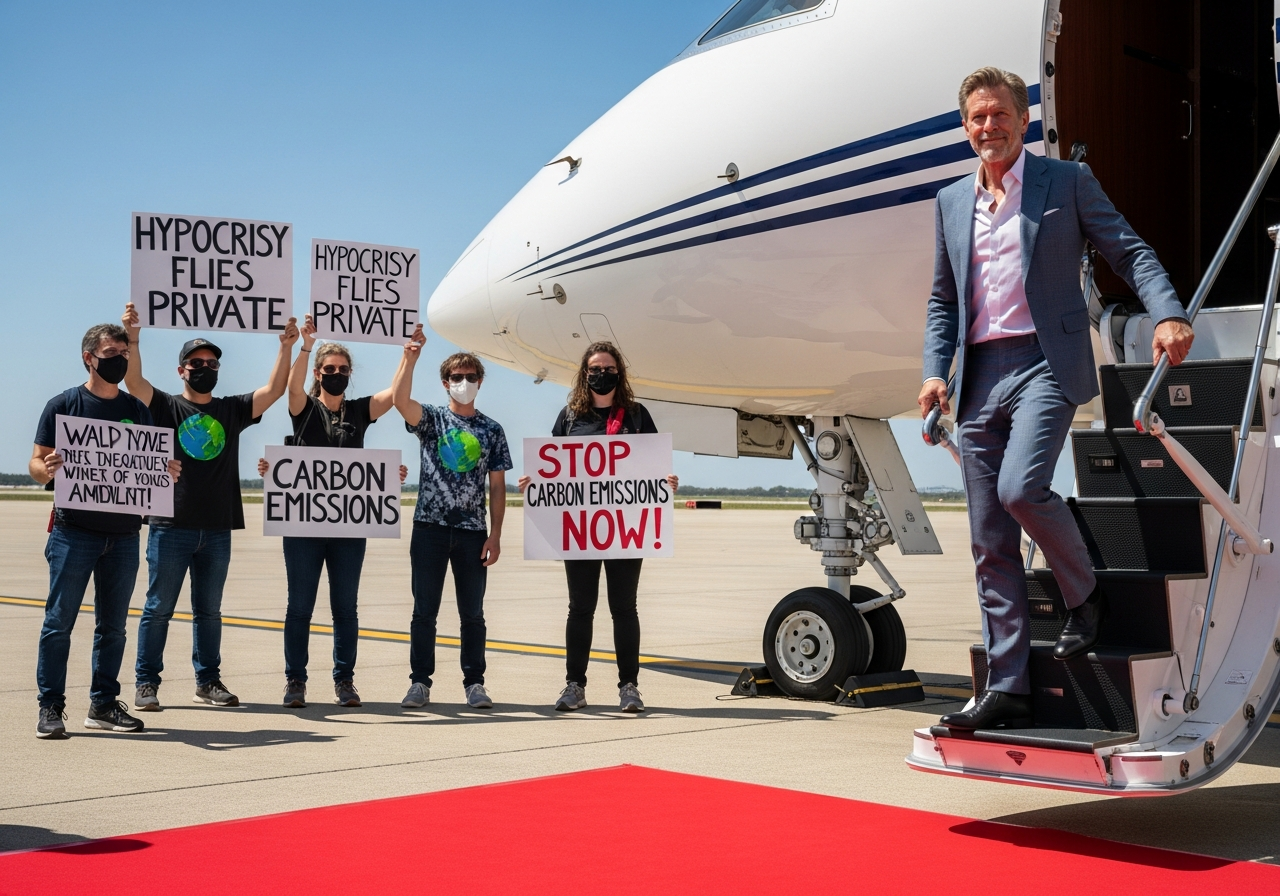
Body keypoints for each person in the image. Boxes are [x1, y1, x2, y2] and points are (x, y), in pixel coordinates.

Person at [919, 68, 1195, 730]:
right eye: (977, 117)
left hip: (1045, 361)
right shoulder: (951, 201)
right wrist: (935, 370)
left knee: (1020, 490)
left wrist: (1166, 312)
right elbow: (941, 300)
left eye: (1000, 114)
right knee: (989, 539)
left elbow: (1129, 251)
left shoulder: (1064, 183)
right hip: (979, 373)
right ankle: (1008, 685)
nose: (989, 126)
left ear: (1023, 120)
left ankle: (1085, 593)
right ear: (965, 127)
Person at [121, 301, 299, 711]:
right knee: (158, 608)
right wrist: (133, 336)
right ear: (182, 369)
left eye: (212, 362)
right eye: (197, 362)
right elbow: (134, 381)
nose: (206, 367)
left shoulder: (230, 409)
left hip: (217, 528)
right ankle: (146, 683)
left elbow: (272, 391)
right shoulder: (165, 405)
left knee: (209, 612)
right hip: (171, 524)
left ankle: (208, 681)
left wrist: (286, 347)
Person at [29, 324, 183, 738]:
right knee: (59, 622)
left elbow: (151, 467)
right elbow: (36, 460)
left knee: (113, 626)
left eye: (123, 353)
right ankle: (50, 707)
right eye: (111, 353)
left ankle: (102, 704)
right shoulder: (64, 405)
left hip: (123, 536)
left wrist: (166, 472)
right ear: (89, 358)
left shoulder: (138, 409)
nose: (119, 359)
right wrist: (45, 470)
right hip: (73, 532)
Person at [255, 314, 406, 709]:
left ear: (349, 373)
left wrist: (410, 356)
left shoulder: (359, 411)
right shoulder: (303, 409)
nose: (336, 374)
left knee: (345, 608)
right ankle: (295, 680)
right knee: (299, 607)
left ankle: (344, 681)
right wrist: (305, 346)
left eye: (342, 369)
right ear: (318, 374)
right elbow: (290, 388)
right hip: (303, 525)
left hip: (349, 529)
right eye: (329, 369)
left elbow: (396, 395)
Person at [517, 341, 678, 714]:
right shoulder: (570, 417)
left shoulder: (636, 416)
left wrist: (666, 482)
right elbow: (553, 468)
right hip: (581, 530)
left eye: (607, 368)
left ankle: (629, 686)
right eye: (594, 368)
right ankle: (575, 685)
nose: (600, 374)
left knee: (624, 608)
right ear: (584, 374)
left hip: (625, 527)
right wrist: (533, 483)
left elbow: (652, 467)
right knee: (580, 608)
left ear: (618, 373)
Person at [392, 324, 511, 710]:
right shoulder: (432, 420)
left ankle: (474, 683)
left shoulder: (492, 430)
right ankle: (419, 682)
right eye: (456, 377)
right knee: (423, 611)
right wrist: (409, 358)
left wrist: (495, 535)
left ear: (480, 381)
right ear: (445, 382)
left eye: (470, 377)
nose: (463, 382)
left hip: (473, 532)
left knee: (472, 614)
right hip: (429, 528)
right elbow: (399, 399)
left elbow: (497, 486)